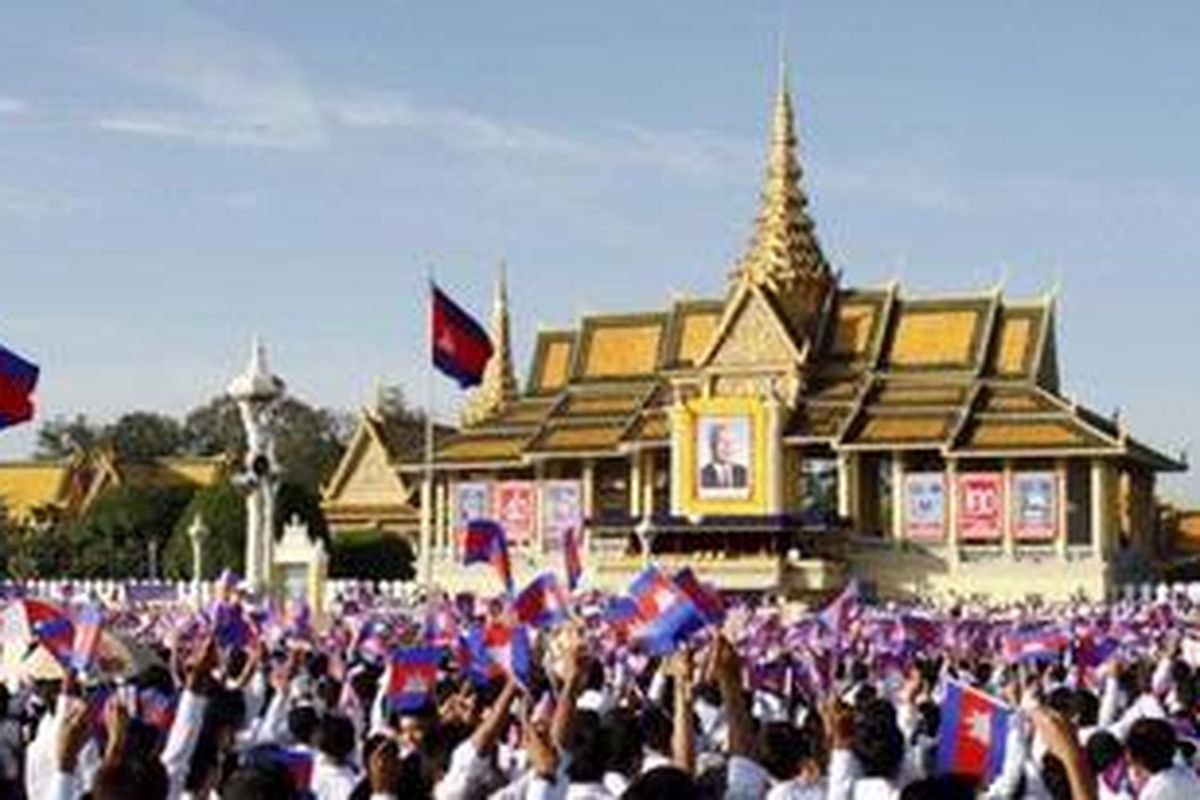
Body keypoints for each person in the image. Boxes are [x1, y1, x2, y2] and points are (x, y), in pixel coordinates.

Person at [699, 421, 749, 491]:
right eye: (722, 441)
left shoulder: (745, 473)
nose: (728, 446)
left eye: (732, 442)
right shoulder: (701, 476)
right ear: (712, 445)